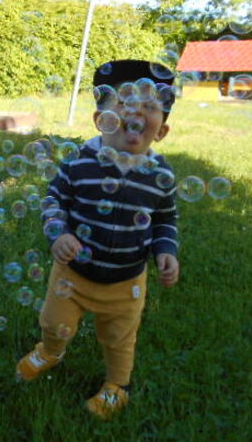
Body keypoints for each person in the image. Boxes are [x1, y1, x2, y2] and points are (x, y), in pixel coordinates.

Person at [16, 60, 181, 419]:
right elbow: (54, 201)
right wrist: (58, 233)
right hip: (72, 274)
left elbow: (165, 219)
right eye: (124, 102)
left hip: (126, 281)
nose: (135, 111)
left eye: (149, 107)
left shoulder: (160, 174)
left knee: (120, 339)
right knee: (54, 321)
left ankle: (117, 385)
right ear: (100, 119)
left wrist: (166, 250)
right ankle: (50, 350)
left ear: (162, 130)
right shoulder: (79, 162)